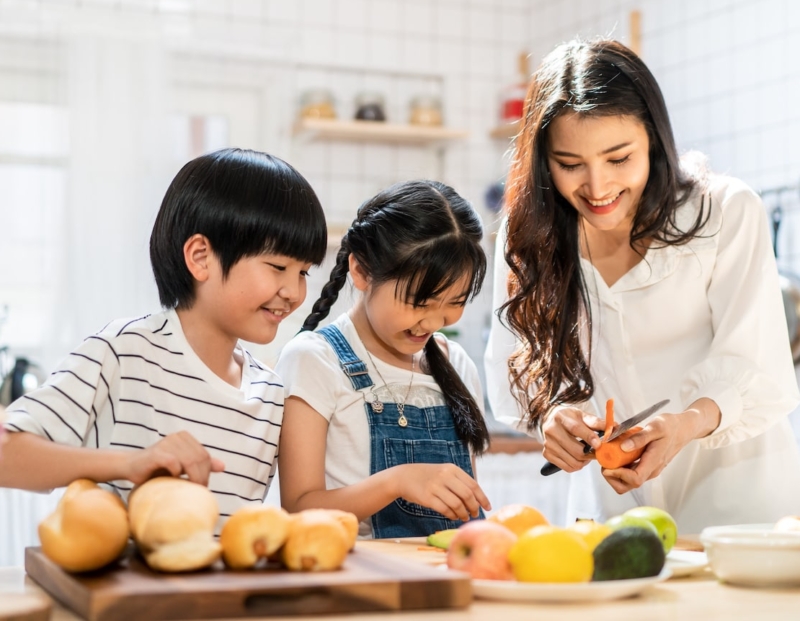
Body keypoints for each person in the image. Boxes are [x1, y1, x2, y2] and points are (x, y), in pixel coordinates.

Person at [484, 38, 800, 533]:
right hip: (613, 514)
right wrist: (553, 418)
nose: (597, 186)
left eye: (618, 158)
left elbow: (758, 367)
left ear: (652, 139)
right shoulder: (528, 237)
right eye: (570, 164)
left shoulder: (725, 211)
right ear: (544, 160)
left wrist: (685, 424)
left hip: (739, 508)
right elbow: (515, 371)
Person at [0, 148, 327, 522]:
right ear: (201, 257)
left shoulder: (270, 394)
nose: (294, 292)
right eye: (278, 266)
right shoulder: (123, 353)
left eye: (303, 272)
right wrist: (129, 463)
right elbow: (6, 456)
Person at [276, 180, 492, 538]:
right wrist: (396, 481)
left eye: (455, 302)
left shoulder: (456, 363)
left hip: (448, 578)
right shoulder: (314, 360)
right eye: (419, 303)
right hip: (360, 582)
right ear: (360, 271)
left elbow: (464, 507)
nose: (434, 323)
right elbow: (298, 509)